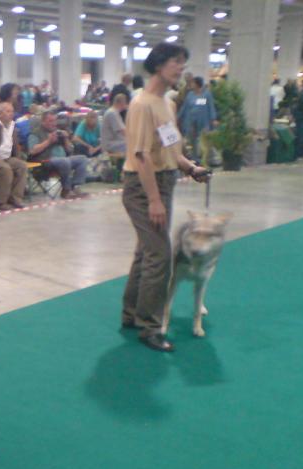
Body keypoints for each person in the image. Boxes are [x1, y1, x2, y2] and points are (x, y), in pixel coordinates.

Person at [121, 42, 209, 352]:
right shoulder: (141, 104)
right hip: (143, 186)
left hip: (164, 180)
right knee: (159, 256)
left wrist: (190, 167)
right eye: (176, 62)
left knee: (146, 252)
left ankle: (131, 315)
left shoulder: (167, 103)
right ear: (159, 64)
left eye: (183, 63)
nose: (181, 68)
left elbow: (170, 147)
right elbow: (142, 156)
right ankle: (150, 327)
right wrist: (154, 200)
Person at [27, 110, 90, 199]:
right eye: (50, 121)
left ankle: (75, 186)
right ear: (43, 122)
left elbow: (70, 150)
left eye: (55, 120)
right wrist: (48, 141)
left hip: (63, 159)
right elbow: (32, 150)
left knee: (83, 159)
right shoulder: (35, 133)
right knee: (64, 161)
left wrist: (66, 139)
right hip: (44, 161)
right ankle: (66, 190)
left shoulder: (58, 132)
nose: (54, 124)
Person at [177, 76, 218, 164]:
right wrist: (177, 117)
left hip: (203, 122)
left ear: (197, 84)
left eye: (193, 83)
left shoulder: (206, 94)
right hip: (191, 121)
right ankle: (195, 159)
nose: (191, 84)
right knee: (192, 141)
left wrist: (213, 119)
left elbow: (211, 107)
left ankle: (206, 160)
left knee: (203, 142)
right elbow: (184, 107)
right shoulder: (190, 95)